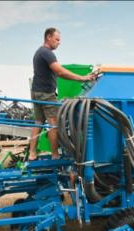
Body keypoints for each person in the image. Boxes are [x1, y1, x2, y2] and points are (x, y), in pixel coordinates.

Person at [28, 27, 97, 160]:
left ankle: (32, 153)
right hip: (46, 94)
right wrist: (83, 78)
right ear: (48, 37)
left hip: (37, 91)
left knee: (38, 122)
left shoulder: (39, 51)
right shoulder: (47, 53)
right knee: (53, 124)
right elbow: (60, 72)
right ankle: (55, 155)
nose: (59, 42)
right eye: (57, 39)